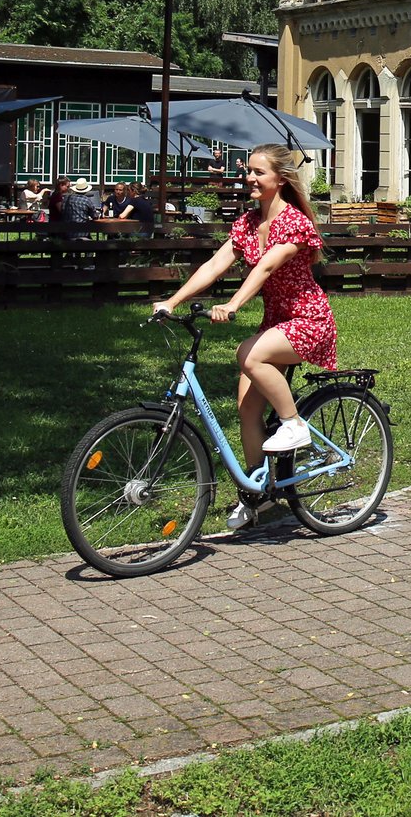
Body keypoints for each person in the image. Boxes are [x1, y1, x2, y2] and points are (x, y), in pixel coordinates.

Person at [153, 143, 337, 532]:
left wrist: (234, 305)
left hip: (308, 319)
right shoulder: (249, 223)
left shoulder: (295, 223)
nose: (250, 179)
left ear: (281, 179)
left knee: (248, 355)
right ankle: (257, 494)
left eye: (259, 173)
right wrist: (172, 300)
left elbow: (267, 267)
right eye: (248, 172)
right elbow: (216, 263)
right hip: (276, 320)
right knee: (247, 410)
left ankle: (294, 424)